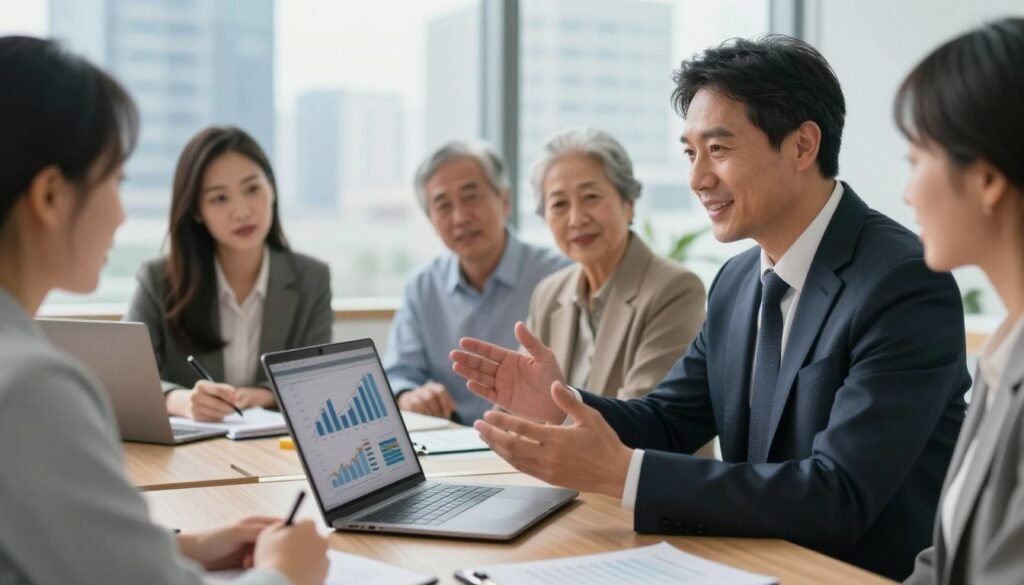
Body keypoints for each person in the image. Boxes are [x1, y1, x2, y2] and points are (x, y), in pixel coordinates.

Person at [450, 35, 970, 580]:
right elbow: (671, 419)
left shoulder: (902, 281)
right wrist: (564, 404)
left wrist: (625, 474)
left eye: (718, 150)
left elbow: (836, 494)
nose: (698, 179)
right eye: (690, 153)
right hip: (749, 561)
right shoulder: (737, 281)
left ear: (802, 146)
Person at [0, 35, 327, 585]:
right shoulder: (30, 387)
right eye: (116, 179)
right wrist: (285, 575)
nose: (124, 215)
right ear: (51, 196)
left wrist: (182, 548)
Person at [896, 18, 1024, 585]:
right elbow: (943, 561)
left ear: (987, 180)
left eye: (917, 159)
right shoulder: (1003, 356)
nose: (908, 191)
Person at [126, 126, 333, 422]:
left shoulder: (313, 278)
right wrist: (181, 400)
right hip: (189, 457)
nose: (241, 211)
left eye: (252, 189)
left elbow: (319, 377)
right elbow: (128, 380)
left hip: (276, 451)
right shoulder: (157, 279)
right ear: (197, 211)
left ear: (271, 189)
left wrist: (265, 394)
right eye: (219, 199)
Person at [382, 140, 569, 423]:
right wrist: (409, 395)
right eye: (443, 206)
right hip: (447, 447)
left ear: (504, 200)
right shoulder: (421, 287)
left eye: (471, 197)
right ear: (431, 221)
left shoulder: (560, 277)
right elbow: (399, 375)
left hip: (535, 443)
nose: (460, 218)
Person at [526, 128, 705, 399]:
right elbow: (517, 404)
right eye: (559, 204)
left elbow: (644, 414)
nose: (576, 219)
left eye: (591, 197)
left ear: (629, 203)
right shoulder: (548, 295)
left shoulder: (675, 289)